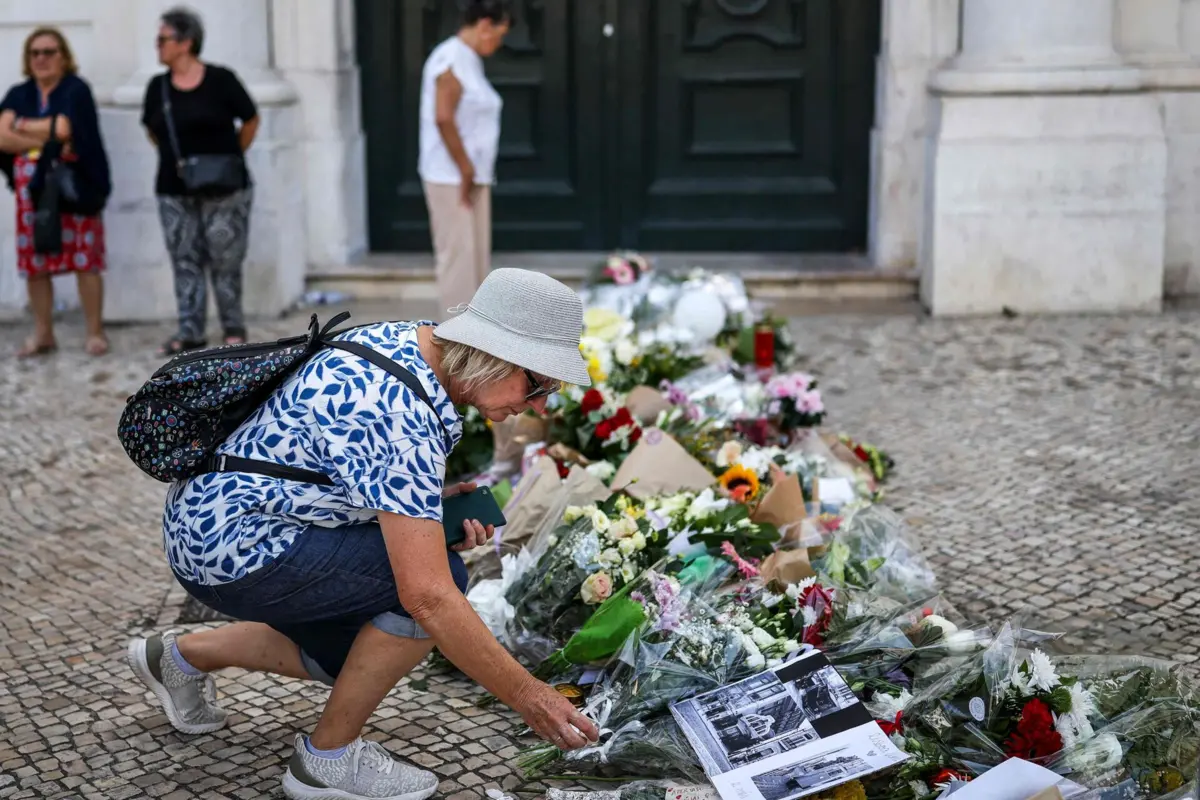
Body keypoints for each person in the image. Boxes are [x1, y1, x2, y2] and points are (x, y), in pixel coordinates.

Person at [126, 268, 600, 800]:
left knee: (357, 653)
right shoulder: (400, 413)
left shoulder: (411, 343)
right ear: (495, 356)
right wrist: (530, 696)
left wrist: (424, 507)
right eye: (537, 386)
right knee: (435, 587)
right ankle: (324, 763)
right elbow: (428, 598)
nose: (538, 406)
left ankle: (179, 656)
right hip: (234, 545)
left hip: (208, 519)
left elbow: (339, 463)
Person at [141, 6, 259, 356]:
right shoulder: (157, 87)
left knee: (227, 260)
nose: (157, 46)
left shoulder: (221, 79)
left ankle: (233, 328)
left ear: (186, 42)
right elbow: (153, 131)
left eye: (163, 39)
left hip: (226, 187)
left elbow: (250, 120)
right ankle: (190, 330)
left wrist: (228, 158)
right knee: (184, 259)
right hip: (174, 189)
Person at [0, 27, 111, 358]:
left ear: (63, 56)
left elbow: (67, 129)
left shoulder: (75, 89)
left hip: (73, 186)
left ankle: (94, 332)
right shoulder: (19, 93)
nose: (42, 59)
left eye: (49, 52)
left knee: (84, 259)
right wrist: (47, 136)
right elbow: (1, 137)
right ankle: (44, 333)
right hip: (30, 193)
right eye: (35, 53)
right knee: (35, 263)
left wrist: (20, 126)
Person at [419, 0, 509, 315]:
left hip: (470, 176)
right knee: (458, 264)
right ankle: (455, 348)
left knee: (475, 265)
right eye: (499, 33)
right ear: (484, 25)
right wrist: (466, 168)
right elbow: (444, 117)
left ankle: (475, 345)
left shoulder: (469, 59)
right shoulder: (450, 59)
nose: (499, 42)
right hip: (451, 176)